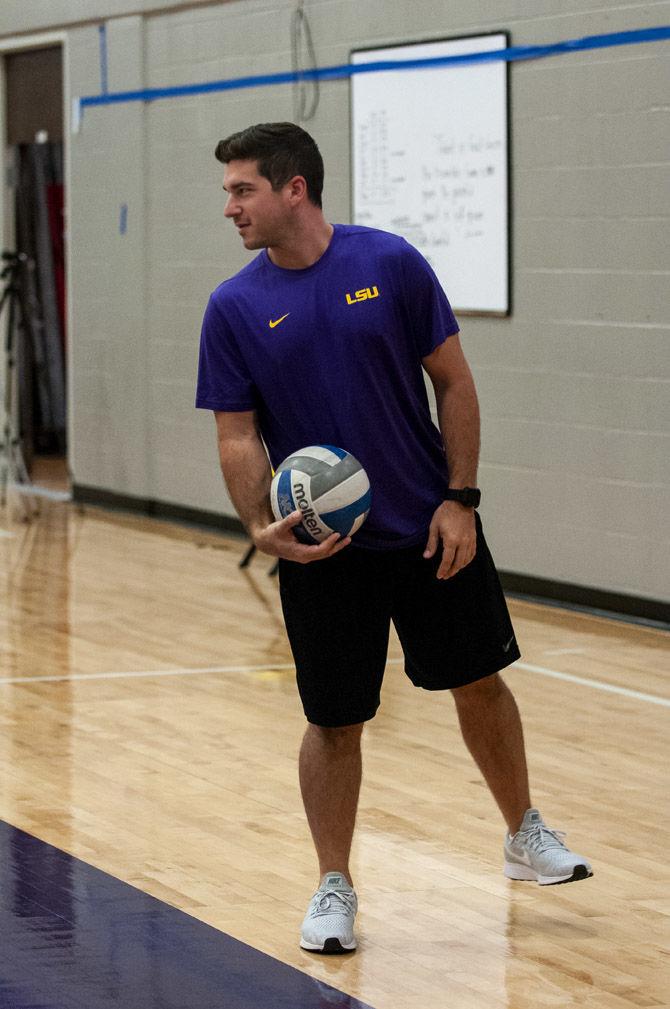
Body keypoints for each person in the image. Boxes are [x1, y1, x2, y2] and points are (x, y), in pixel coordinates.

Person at [196, 122, 592, 955]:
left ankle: (524, 831)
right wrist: (259, 528)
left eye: (242, 189)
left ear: (293, 187)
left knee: (479, 682)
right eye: (229, 189)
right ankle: (333, 882)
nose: (228, 204)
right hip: (323, 550)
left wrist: (462, 498)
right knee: (334, 721)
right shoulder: (233, 305)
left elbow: (454, 381)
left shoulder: (390, 265)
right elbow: (237, 433)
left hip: (428, 531)